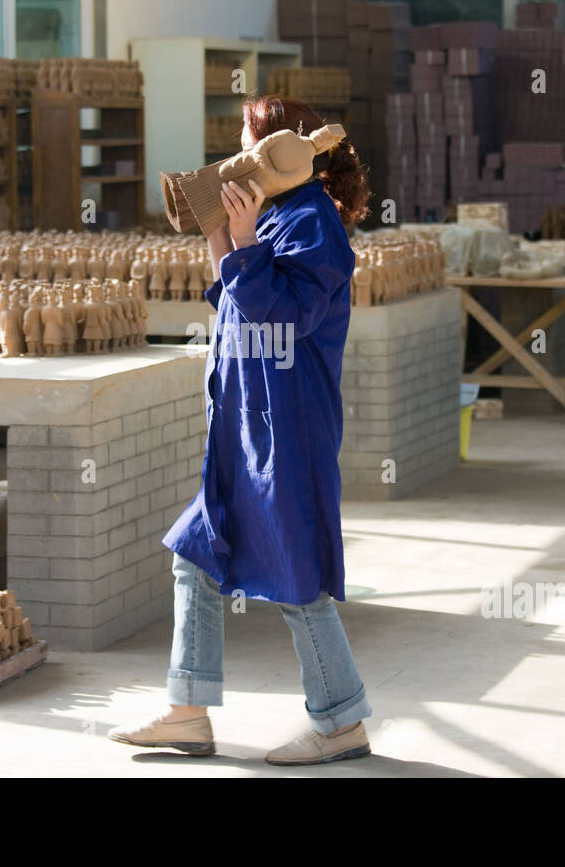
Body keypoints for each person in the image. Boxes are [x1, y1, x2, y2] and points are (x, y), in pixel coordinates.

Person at [109, 96, 374, 765]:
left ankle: (341, 722)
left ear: (280, 152)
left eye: (247, 142)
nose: (236, 157)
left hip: (289, 430)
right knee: (196, 554)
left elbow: (279, 318)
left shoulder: (314, 224)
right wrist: (220, 237)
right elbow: (234, 303)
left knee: (297, 573)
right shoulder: (277, 214)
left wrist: (247, 240)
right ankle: (188, 713)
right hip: (244, 427)